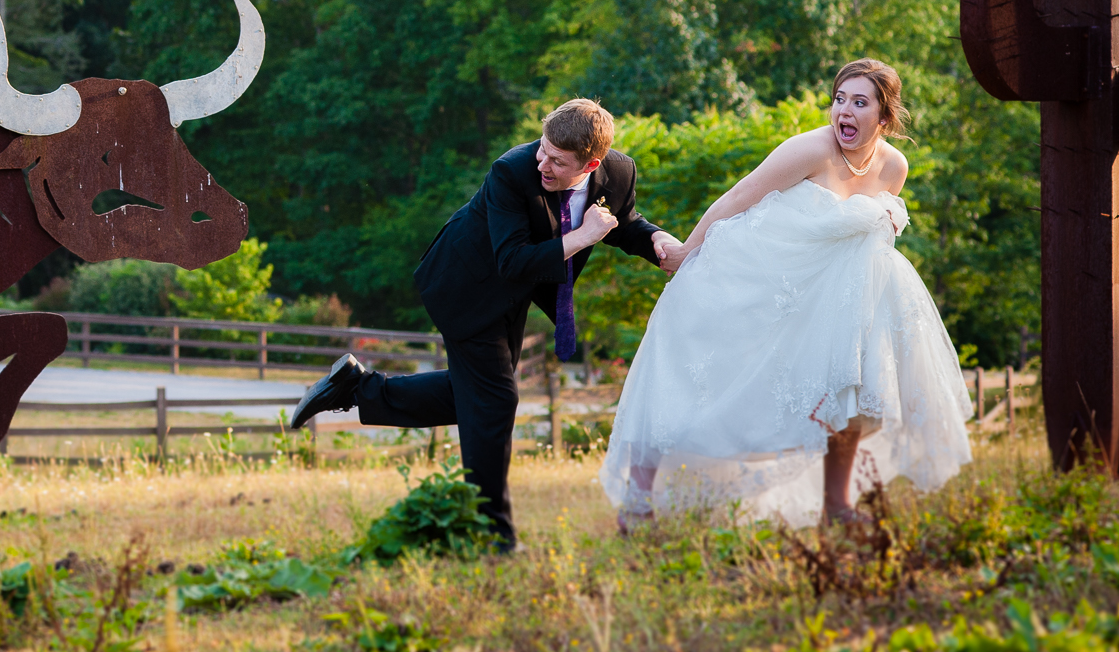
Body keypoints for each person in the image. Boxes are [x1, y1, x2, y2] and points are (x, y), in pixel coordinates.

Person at [288, 98, 685, 549]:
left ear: (591, 163)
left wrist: (654, 237)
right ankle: (490, 533)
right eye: (542, 148)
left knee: (478, 398)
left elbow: (622, 221)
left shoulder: (618, 172)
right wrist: (583, 236)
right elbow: (513, 258)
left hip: (515, 290)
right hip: (466, 285)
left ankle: (357, 389)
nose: (543, 162)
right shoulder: (512, 172)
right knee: (494, 400)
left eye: (557, 160)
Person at [599, 59, 973, 528]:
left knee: (850, 394)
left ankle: (837, 506)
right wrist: (686, 254)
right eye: (840, 99)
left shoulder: (894, 166)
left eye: (861, 103)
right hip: (765, 282)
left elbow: (868, 240)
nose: (846, 112)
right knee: (705, 377)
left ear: (884, 115)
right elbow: (740, 196)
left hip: (843, 298)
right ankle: (638, 502)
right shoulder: (810, 149)